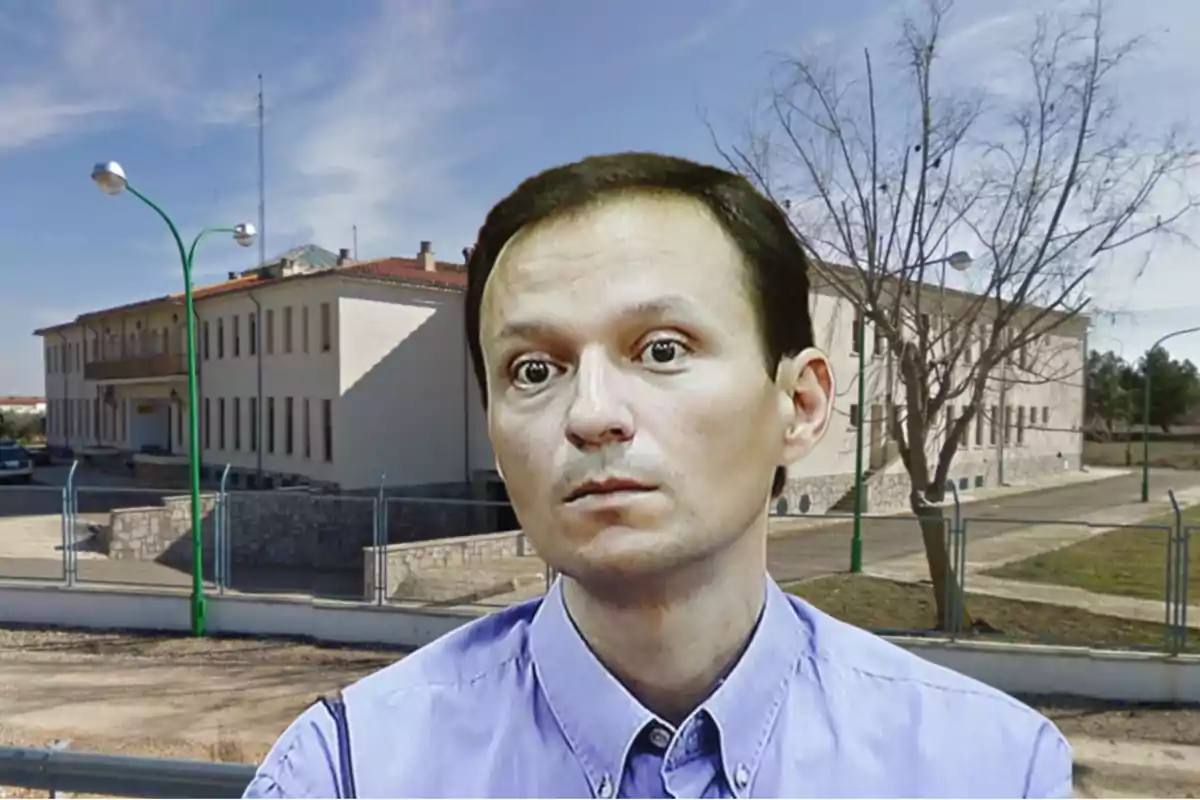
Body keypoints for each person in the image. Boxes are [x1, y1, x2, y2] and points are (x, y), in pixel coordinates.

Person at [243, 152, 1073, 798]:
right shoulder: (349, 773)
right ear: (497, 439)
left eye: (662, 350)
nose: (590, 412)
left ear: (802, 403)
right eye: (533, 370)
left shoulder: (988, 770)